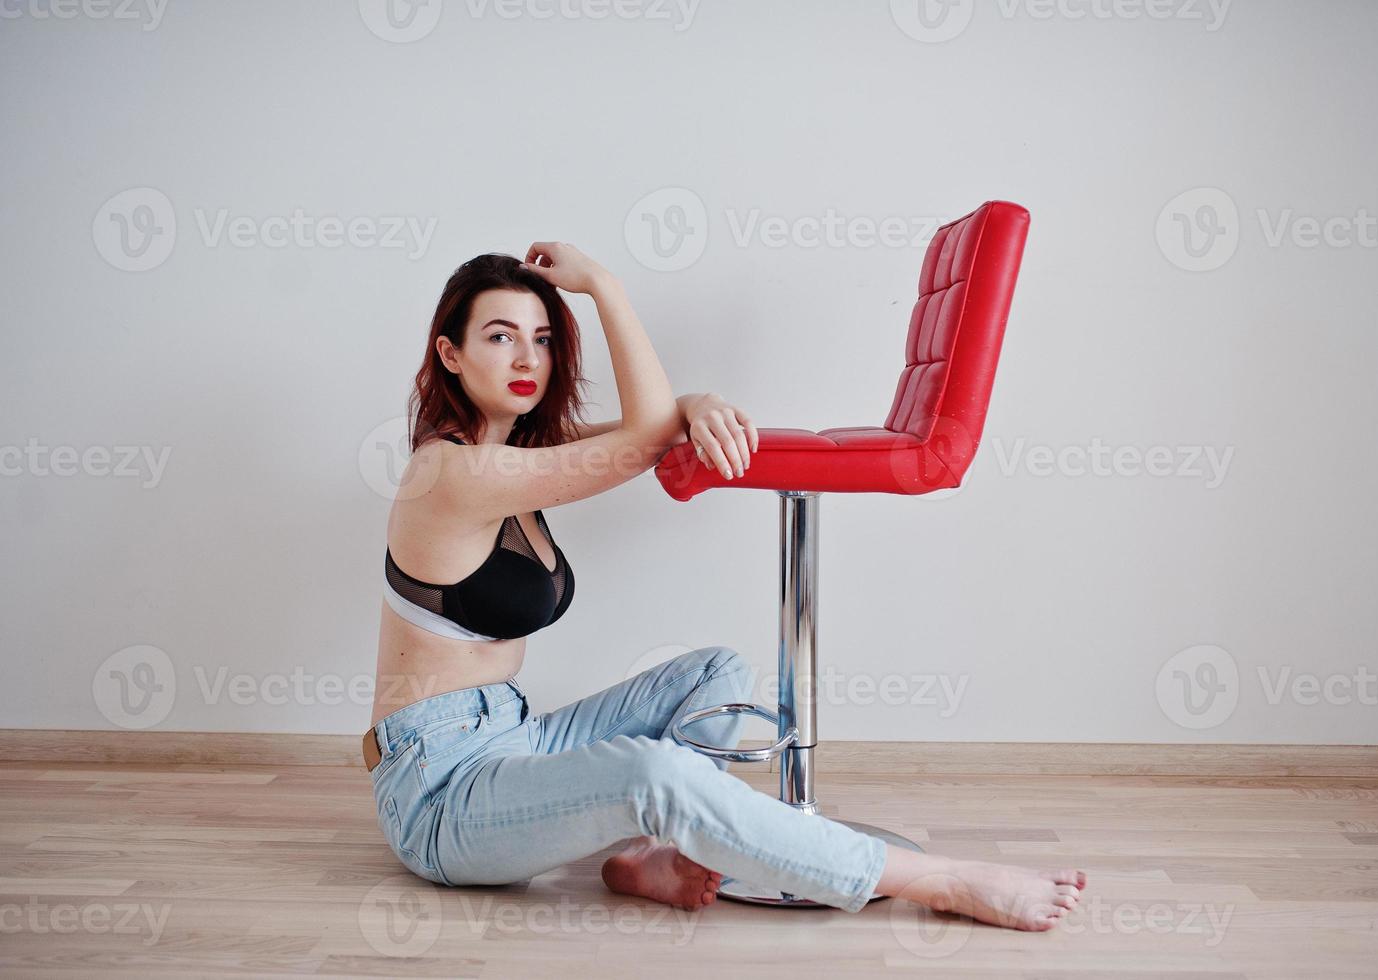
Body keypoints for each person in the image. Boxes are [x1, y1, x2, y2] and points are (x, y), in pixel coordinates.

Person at [365, 241, 1086, 929]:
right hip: (439, 794)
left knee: (716, 674)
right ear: (449, 353)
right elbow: (647, 435)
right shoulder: (449, 474)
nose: (529, 357)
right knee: (650, 773)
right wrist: (605, 287)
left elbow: (659, 425)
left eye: (545, 338)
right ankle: (936, 880)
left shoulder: (523, 448)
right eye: (500, 337)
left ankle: (646, 854)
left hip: (513, 736)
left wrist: (701, 401)